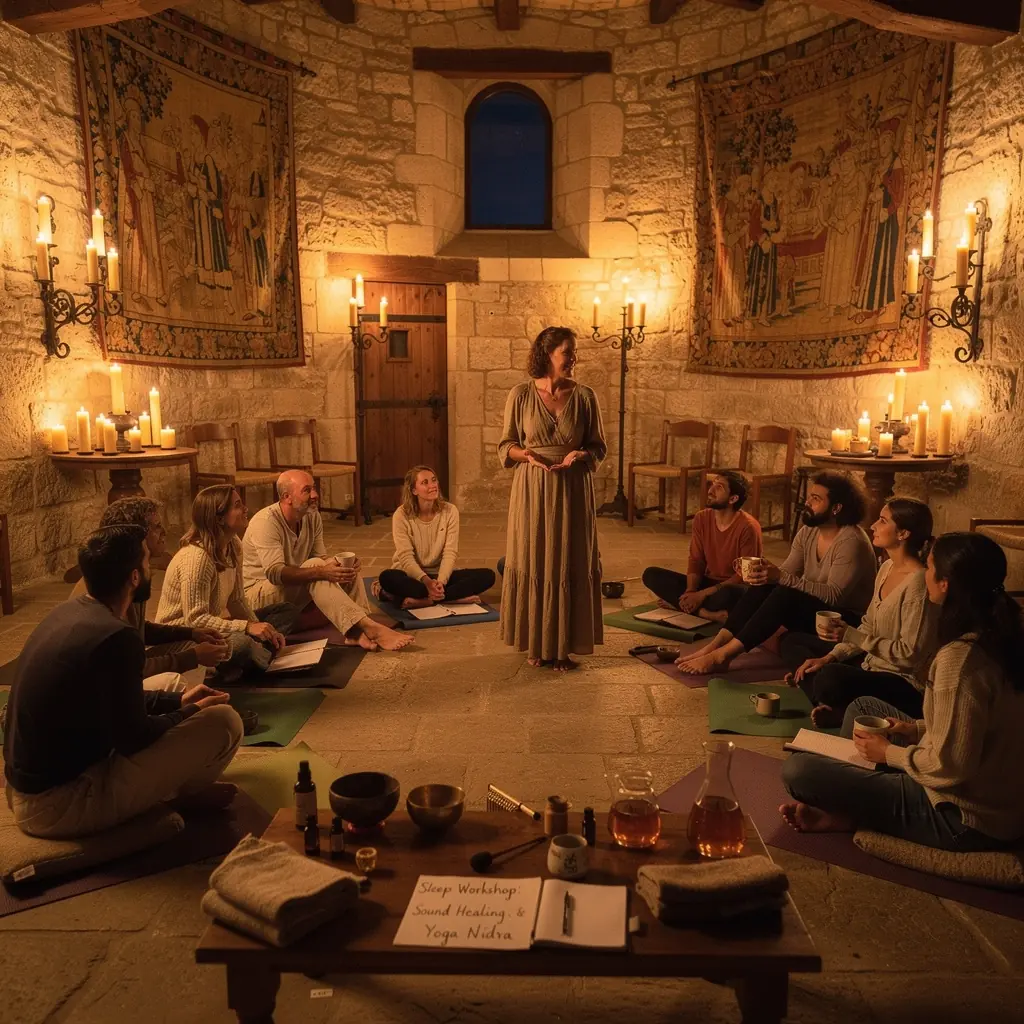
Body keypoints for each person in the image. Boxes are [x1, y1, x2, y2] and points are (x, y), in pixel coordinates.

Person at [780, 532, 1024, 852]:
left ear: (945, 583)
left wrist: (889, 754)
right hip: (985, 789)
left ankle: (850, 807)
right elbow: (979, 728)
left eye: (931, 566)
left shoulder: (961, 659)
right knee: (864, 707)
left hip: (963, 814)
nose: (925, 573)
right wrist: (914, 729)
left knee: (799, 771)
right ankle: (851, 803)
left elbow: (951, 765)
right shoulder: (1003, 633)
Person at [4, 525, 243, 839]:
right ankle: (176, 797)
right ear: (134, 577)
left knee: (172, 687)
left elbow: (104, 700)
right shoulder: (118, 637)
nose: (149, 569)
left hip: (28, 789)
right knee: (224, 721)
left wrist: (178, 702)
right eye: (146, 563)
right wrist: (188, 713)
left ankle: (164, 792)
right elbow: (135, 737)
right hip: (57, 804)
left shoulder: (69, 611)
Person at [677, 472, 877, 675]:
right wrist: (765, 572)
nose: (807, 502)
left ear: (836, 508)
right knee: (765, 586)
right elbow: (786, 573)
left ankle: (724, 655)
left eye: (816, 499)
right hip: (814, 611)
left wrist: (779, 577)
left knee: (784, 594)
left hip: (842, 621)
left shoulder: (851, 541)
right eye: (809, 496)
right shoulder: (809, 531)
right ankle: (715, 646)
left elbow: (834, 596)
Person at [498, 326, 606, 671]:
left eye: (573, 352)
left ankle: (563, 647)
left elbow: (598, 446)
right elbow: (506, 446)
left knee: (569, 560)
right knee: (534, 558)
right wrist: (526, 455)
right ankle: (536, 642)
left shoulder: (586, 396)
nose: (573, 358)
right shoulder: (520, 394)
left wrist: (581, 456)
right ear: (547, 355)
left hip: (573, 489)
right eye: (566, 352)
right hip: (534, 489)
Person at [785, 498, 939, 727]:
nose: (874, 526)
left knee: (830, 678)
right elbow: (868, 624)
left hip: (900, 681)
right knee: (792, 642)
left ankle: (833, 702)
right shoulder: (886, 568)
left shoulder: (917, 583)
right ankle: (836, 706)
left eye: (883, 521)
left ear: (903, 533)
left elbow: (909, 654)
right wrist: (828, 657)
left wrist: (850, 637)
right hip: (869, 664)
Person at [242, 470, 412, 652]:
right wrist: (321, 570)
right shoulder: (266, 522)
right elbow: (275, 573)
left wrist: (341, 564)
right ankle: (371, 628)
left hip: (291, 588)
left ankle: (358, 629)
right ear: (287, 497)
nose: (315, 495)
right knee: (315, 567)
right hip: (257, 595)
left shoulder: (311, 516)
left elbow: (321, 557)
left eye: (314, 488)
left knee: (342, 565)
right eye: (307, 490)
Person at [71, 496, 230, 687]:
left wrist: (192, 633)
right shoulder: (116, 583)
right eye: (156, 527)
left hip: (125, 669)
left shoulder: (132, 572)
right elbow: (131, 669)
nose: (164, 532)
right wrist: (192, 657)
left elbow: (139, 629)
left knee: (197, 646)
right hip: (106, 686)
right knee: (182, 674)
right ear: (134, 536)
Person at [157, 486, 288, 675]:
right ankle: (255, 658)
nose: (245, 509)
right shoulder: (197, 557)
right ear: (219, 518)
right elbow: (195, 620)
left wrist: (261, 630)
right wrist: (247, 627)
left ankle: (256, 655)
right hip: (185, 639)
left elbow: (236, 600)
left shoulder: (233, 544)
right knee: (242, 645)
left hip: (211, 628)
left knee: (284, 612)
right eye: (237, 505)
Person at [642, 470, 762, 624]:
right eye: (713, 484)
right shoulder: (701, 518)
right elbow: (696, 561)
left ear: (733, 499)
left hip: (731, 588)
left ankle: (680, 605)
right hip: (707, 584)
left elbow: (744, 577)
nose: (710, 491)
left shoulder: (749, 527)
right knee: (651, 575)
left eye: (719, 487)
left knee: (730, 596)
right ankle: (706, 614)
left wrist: (701, 595)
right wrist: (690, 592)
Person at [377, 466, 496, 609]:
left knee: (488, 576)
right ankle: (451, 598)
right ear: (414, 490)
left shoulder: (450, 511)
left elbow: (450, 552)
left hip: (439, 575)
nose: (432, 485)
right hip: (412, 576)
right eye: (425, 482)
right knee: (387, 577)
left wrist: (441, 582)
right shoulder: (401, 515)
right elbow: (405, 557)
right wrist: (427, 582)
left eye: (434, 480)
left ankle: (425, 600)